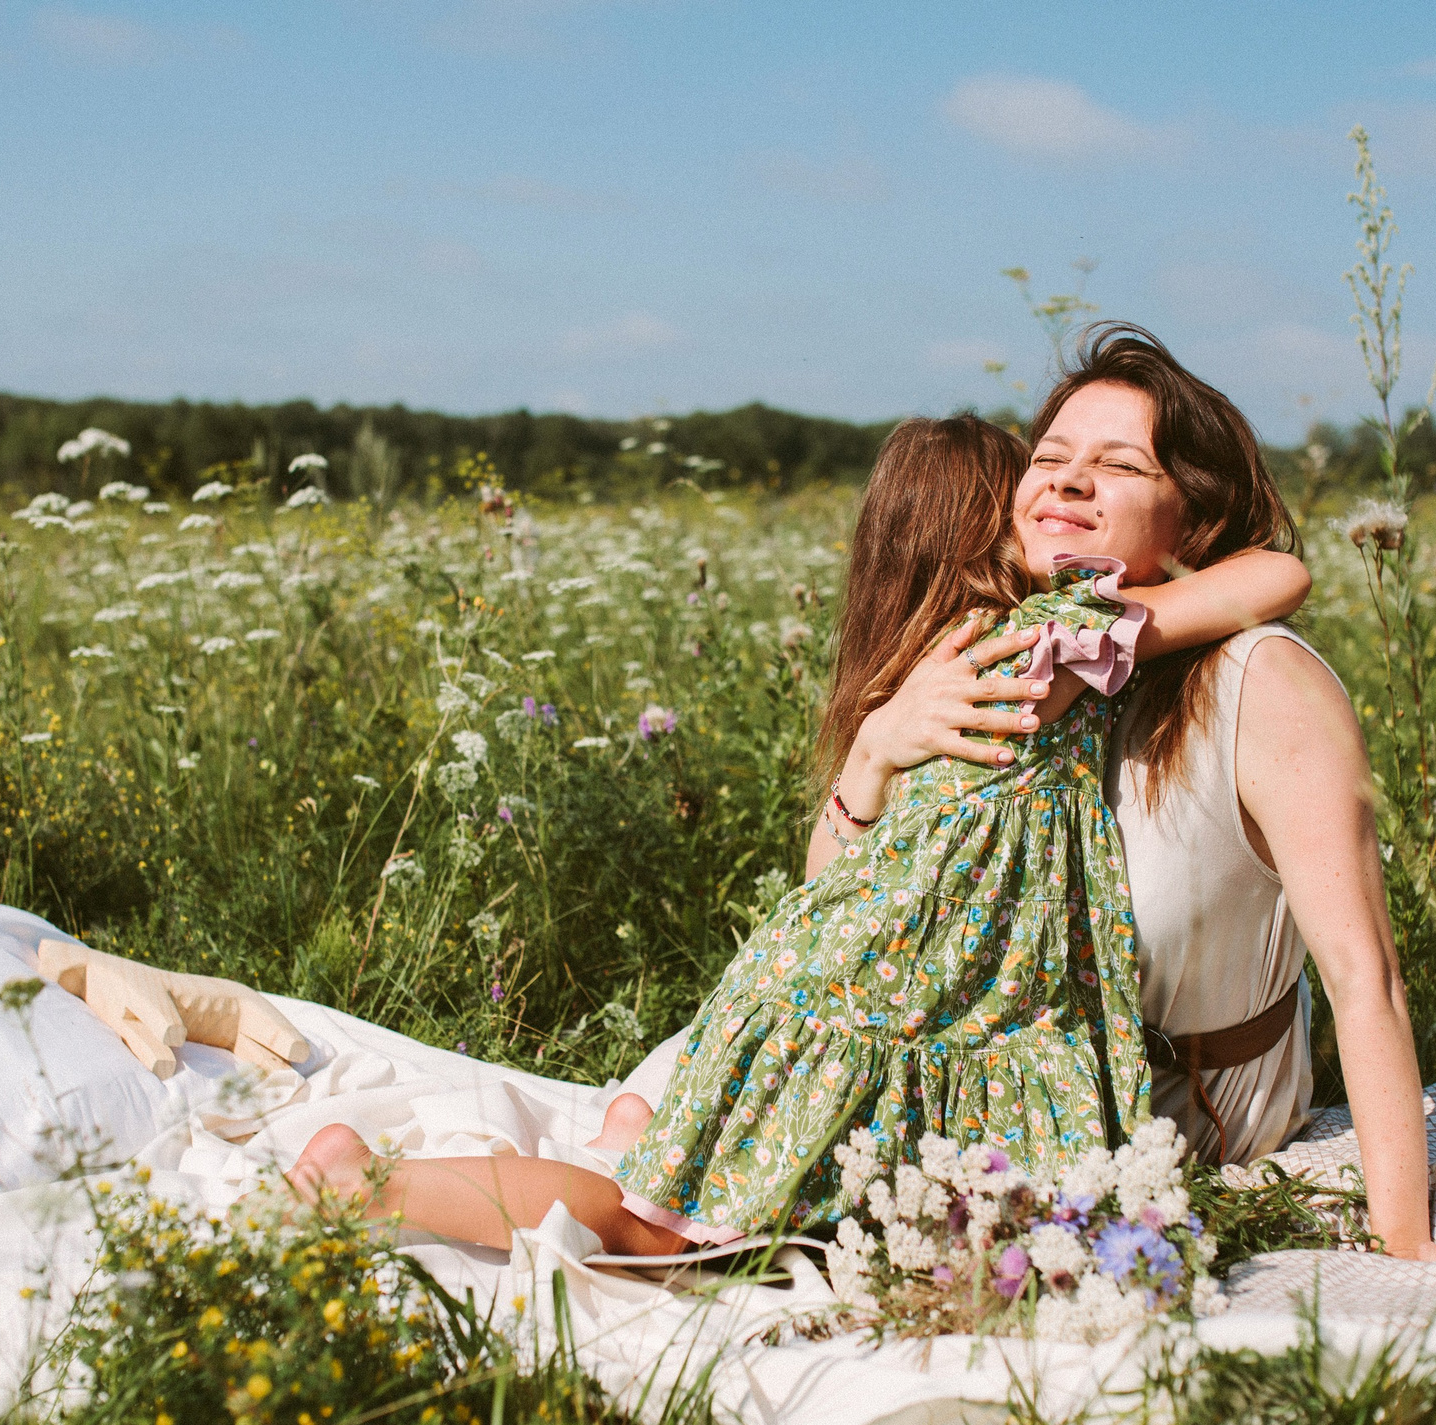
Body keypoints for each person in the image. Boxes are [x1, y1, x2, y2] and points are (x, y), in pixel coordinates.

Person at [288, 404, 1311, 1254]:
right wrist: (1141, 577)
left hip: (829, 990)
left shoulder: (928, 659)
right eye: (1030, 492)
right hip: (858, 1010)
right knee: (667, 1241)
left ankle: (646, 1129)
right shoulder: (1038, 645)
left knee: (751, 1201)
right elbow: (1278, 575)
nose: (1058, 500)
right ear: (993, 536)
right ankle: (367, 1183)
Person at [834, 324, 1436, 1263]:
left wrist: (1405, 1238)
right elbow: (834, 914)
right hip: (988, 1086)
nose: (1070, 481)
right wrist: (873, 750)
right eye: (1050, 459)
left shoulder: (1260, 682)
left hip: (1181, 1120)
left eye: (1119, 465)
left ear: (1192, 523)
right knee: (674, 1106)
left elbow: (1366, 977)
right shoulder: (1001, 654)